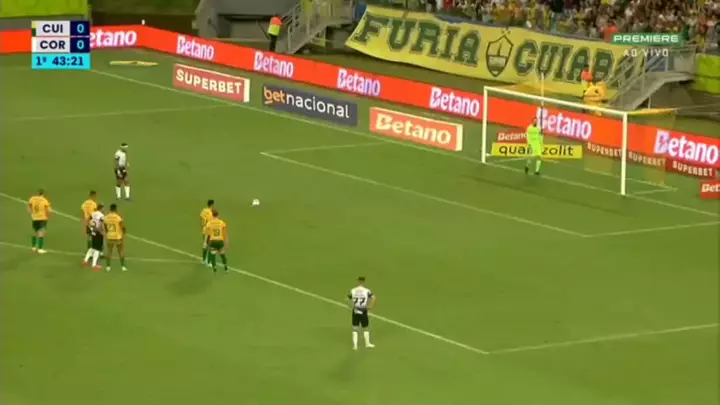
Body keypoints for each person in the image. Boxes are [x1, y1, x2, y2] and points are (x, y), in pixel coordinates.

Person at [348, 276, 376, 350]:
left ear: (358, 281)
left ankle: (355, 346)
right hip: (363, 310)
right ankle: (367, 344)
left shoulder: (353, 290)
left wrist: (351, 306)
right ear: (363, 282)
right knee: (365, 327)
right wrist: (370, 306)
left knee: (355, 328)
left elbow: (347, 299)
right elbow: (373, 297)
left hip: (355, 310)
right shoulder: (366, 291)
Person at [104, 203, 127, 272]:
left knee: (109, 251)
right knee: (120, 251)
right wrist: (124, 233)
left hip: (110, 236)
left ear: (110, 209)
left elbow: (105, 227)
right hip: (118, 237)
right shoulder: (118, 217)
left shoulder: (106, 217)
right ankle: (123, 266)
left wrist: (107, 233)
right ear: (115, 209)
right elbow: (122, 226)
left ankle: (108, 266)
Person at [28, 189, 51, 253]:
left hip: (35, 218)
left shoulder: (32, 198)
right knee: (41, 233)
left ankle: (33, 247)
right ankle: (40, 249)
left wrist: (30, 212)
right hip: (42, 218)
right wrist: (48, 217)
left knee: (34, 232)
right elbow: (48, 210)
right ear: (43, 194)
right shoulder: (44, 200)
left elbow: (29, 205)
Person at [83, 203, 105, 270]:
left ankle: (85, 261)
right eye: (103, 208)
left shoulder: (93, 213)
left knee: (92, 247)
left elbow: (87, 220)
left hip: (92, 231)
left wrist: (89, 227)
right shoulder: (101, 215)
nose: (104, 209)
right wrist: (102, 232)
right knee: (97, 249)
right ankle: (94, 265)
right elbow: (101, 224)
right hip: (98, 232)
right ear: (101, 208)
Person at [200, 199, 215, 266]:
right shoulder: (211, 212)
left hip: (205, 230)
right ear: (212, 204)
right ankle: (208, 262)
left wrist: (203, 226)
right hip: (209, 230)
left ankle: (204, 260)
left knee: (205, 245)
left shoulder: (204, 211)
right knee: (210, 246)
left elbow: (201, 218)